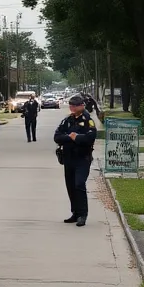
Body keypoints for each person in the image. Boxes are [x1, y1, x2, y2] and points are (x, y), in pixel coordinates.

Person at [54, 95, 97, 226]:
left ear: (81, 106)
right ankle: (75, 213)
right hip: (68, 158)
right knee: (71, 186)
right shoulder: (67, 120)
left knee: (79, 184)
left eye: (75, 105)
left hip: (82, 158)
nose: (72, 107)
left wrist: (76, 138)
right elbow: (57, 136)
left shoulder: (88, 120)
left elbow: (90, 138)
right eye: (71, 105)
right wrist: (70, 137)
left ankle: (83, 214)